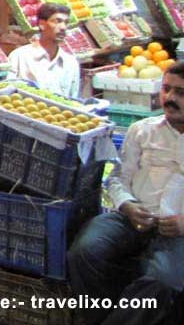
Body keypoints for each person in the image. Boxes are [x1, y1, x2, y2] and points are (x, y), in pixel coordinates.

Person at [67, 61, 184, 325]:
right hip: (132, 216)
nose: (170, 98)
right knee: (84, 251)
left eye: (180, 92)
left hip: (178, 229)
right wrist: (128, 205)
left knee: (163, 282)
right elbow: (117, 179)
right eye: (167, 89)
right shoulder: (141, 130)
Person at [7, 2, 80, 98]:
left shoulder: (71, 63)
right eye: (57, 21)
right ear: (42, 24)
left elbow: (73, 98)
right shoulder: (19, 56)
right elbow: (7, 92)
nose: (63, 27)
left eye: (66, 22)